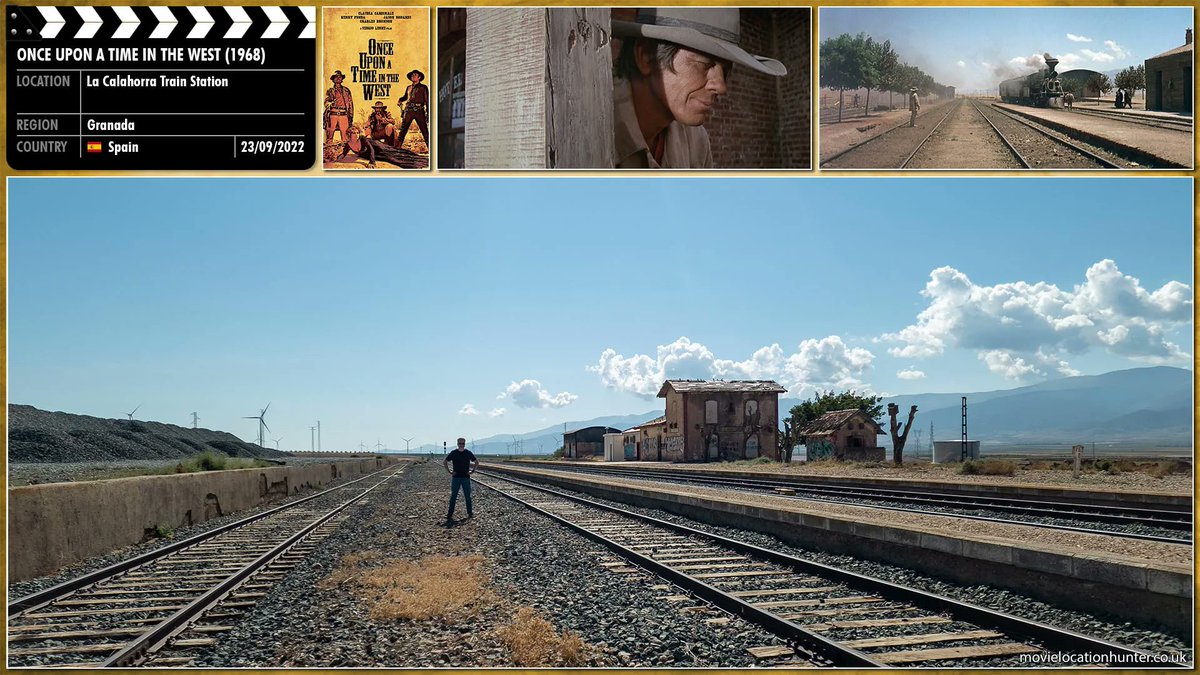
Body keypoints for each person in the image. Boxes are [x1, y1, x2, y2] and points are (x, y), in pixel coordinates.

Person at [611, 8, 787, 169]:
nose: (721, 86)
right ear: (646, 56)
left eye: (725, 70)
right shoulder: (593, 133)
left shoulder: (696, 142)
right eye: (703, 63)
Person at [444, 437, 478, 524]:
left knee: (468, 496)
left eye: (463, 443)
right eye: (460, 443)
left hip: (466, 478)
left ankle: (470, 513)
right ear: (457, 444)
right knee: (453, 496)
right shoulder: (454, 453)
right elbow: (445, 461)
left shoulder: (468, 453)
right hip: (456, 478)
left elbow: (476, 462)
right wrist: (450, 471)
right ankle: (449, 514)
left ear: (465, 444)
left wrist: (472, 471)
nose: (461, 445)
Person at [396, 69, 430, 148]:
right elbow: (405, 97)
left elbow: (427, 101)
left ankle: (431, 150)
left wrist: (428, 114)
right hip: (409, 110)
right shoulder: (408, 87)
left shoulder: (423, 87)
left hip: (419, 111)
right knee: (403, 130)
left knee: (425, 131)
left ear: (419, 77)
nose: (413, 76)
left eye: (415, 75)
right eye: (412, 75)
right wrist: (400, 99)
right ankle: (397, 149)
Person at [324, 71, 353, 143]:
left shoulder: (346, 91)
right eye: (336, 77)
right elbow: (326, 102)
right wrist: (330, 103)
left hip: (344, 114)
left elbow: (350, 104)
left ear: (342, 79)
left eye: (340, 77)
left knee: (345, 136)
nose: (338, 78)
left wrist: (351, 114)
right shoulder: (330, 91)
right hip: (333, 114)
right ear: (333, 79)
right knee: (330, 135)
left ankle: (344, 153)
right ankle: (329, 152)